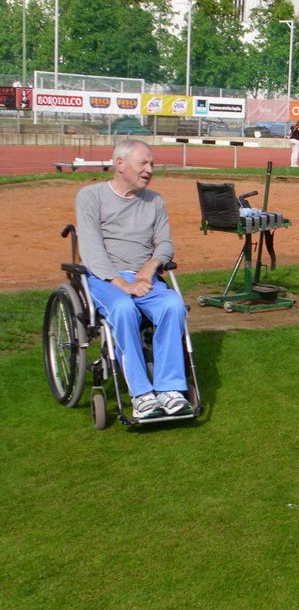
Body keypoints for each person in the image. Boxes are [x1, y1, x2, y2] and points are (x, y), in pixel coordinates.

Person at [74, 139, 192, 419]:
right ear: (120, 164)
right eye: (143, 163)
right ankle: (141, 394)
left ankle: (169, 389)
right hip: (105, 279)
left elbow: (165, 243)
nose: (150, 169)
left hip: (144, 278)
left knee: (173, 304)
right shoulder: (90, 196)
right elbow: (91, 249)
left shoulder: (155, 201)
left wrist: (150, 267)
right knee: (123, 308)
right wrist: (122, 284)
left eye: (152, 164)